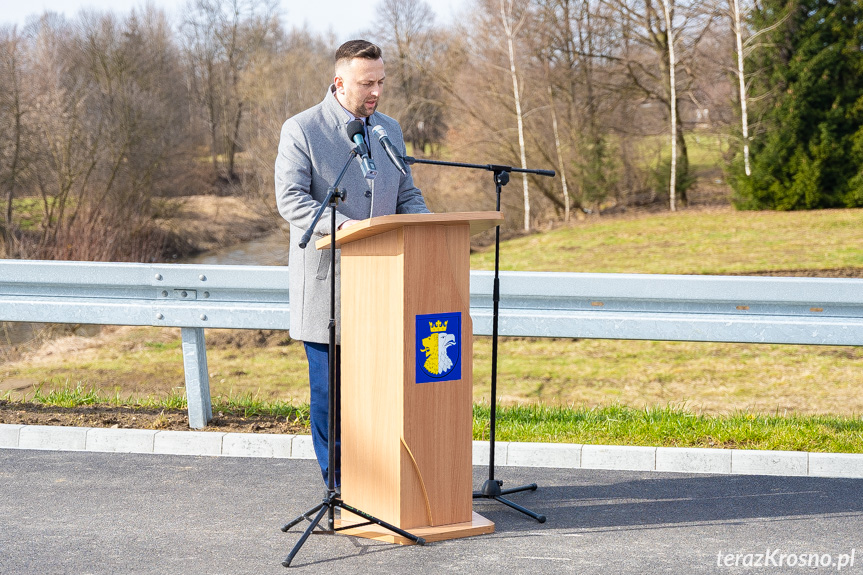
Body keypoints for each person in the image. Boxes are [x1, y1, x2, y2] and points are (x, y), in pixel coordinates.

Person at [274, 40, 430, 486]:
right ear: (340, 82)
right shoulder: (302, 128)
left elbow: (407, 194)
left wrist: (430, 231)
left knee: (375, 395)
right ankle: (338, 489)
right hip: (329, 287)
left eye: (380, 81)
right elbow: (292, 200)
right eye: (367, 83)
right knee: (332, 397)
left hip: (382, 283)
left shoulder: (389, 130)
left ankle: (378, 484)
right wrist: (347, 229)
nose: (376, 91)